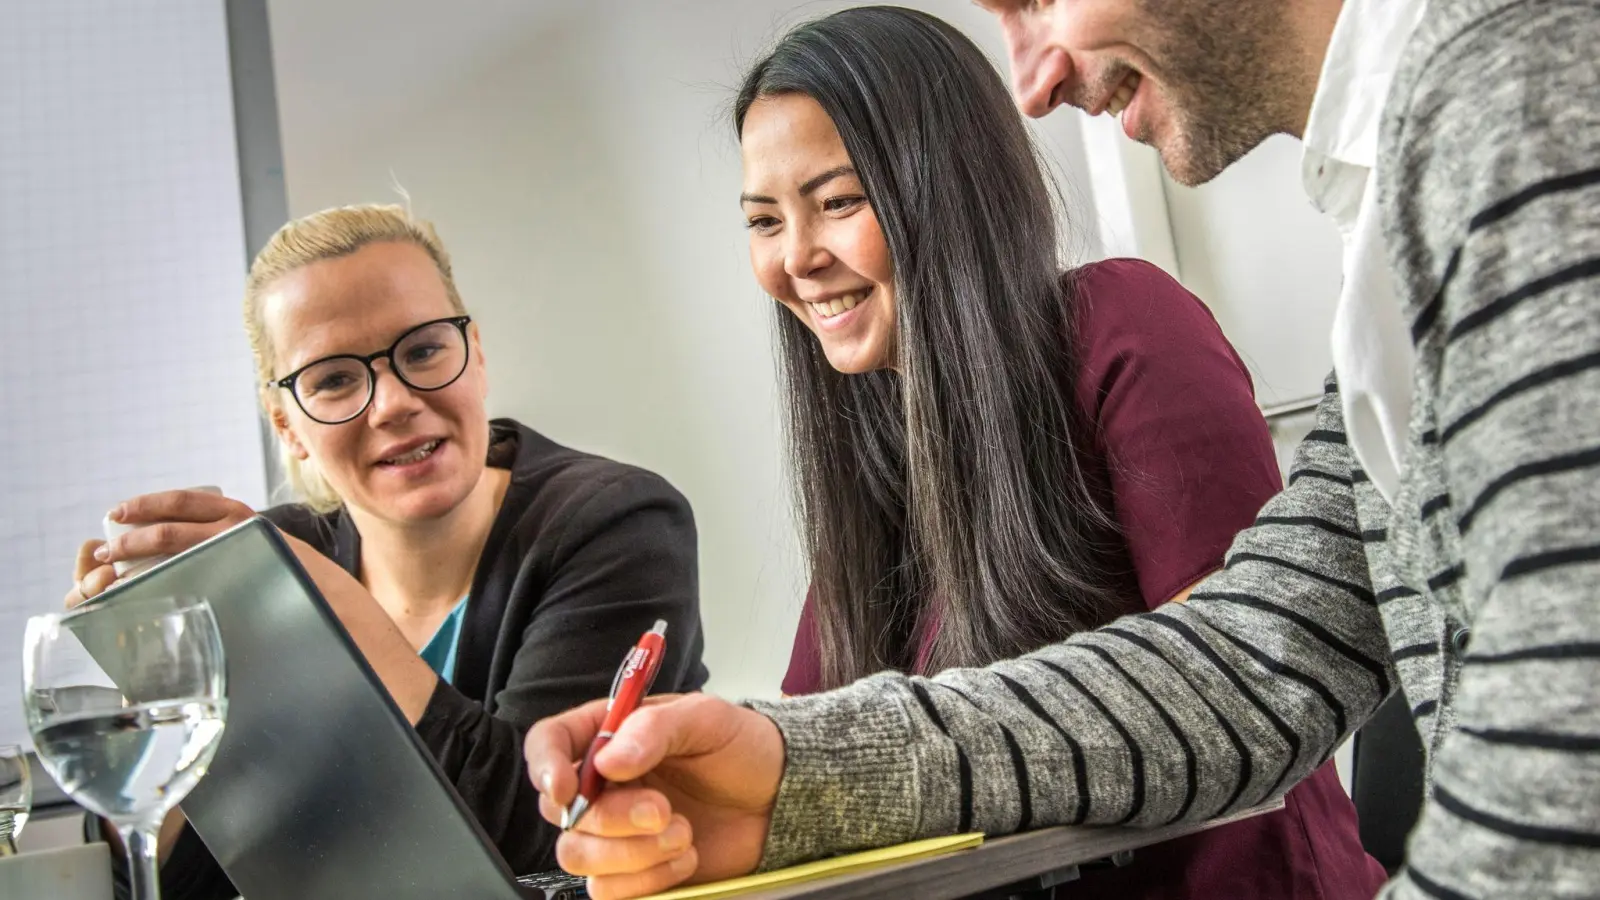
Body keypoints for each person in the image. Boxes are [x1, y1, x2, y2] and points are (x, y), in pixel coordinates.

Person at [525, 0, 1600, 897]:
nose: (1031, 83)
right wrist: (793, 768)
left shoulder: (1521, 91)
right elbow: (1249, 664)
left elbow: (1562, 775)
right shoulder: (1395, 243)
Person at [67, 204, 710, 899]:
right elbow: (215, 881)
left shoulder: (618, 523)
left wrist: (323, 616)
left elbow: (540, 835)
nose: (392, 403)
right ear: (288, 425)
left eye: (424, 350)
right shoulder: (280, 557)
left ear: (477, 355)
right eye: (335, 379)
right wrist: (150, 740)